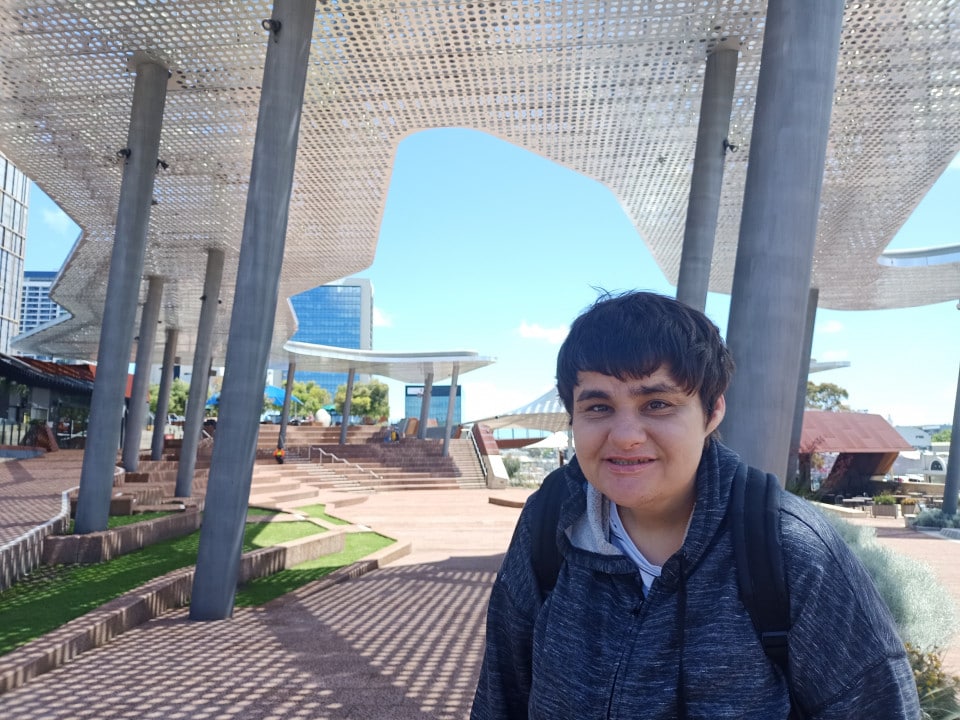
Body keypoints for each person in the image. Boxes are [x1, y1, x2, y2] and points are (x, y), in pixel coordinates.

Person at [471, 291, 919, 719]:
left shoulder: (790, 551)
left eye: (658, 403)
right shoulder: (550, 524)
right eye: (598, 407)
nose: (626, 435)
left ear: (712, 411)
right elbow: (502, 696)